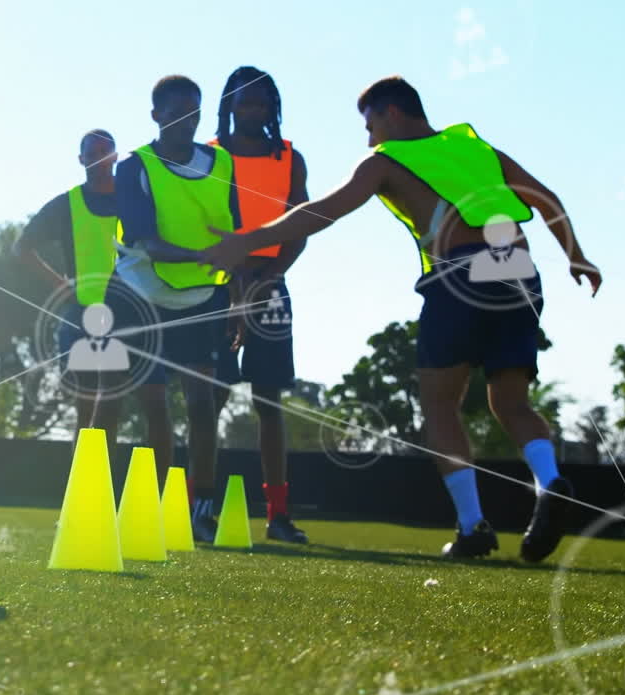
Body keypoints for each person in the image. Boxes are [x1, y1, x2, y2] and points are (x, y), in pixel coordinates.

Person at [201, 76, 602, 561]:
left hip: (459, 276)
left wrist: (245, 240)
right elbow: (545, 198)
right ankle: (549, 481)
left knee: (438, 405)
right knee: (511, 402)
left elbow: (324, 210)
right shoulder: (474, 146)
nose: (368, 138)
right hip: (520, 271)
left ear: (391, 114)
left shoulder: (385, 160)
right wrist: (577, 256)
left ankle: (473, 525)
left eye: (369, 125)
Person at [112, 75, 241, 542]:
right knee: (155, 406)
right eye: (176, 112)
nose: (187, 120)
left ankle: (200, 512)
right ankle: (154, 510)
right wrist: (210, 257)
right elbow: (150, 245)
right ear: (156, 116)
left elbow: (236, 235)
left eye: (195, 111)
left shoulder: (221, 162)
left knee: (204, 406)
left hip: (201, 297)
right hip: (143, 297)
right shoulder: (134, 168)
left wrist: (238, 300)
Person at [16, 130, 173, 481]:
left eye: (107, 151)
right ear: (82, 159)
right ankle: (85, 498)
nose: (101, 157)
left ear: (116, 156)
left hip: (140, 314)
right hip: (88, 317)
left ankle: (162, 504)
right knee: (92, 410)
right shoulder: (66, 204)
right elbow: (21, 248)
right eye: (93, 152)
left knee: (155, 404)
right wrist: (61, 286)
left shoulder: (137, 199)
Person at [209, 66, 310, 544]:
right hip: (216, 287)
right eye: (245, 101)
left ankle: (278, 515)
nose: (254, 109)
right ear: (229, 104)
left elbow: (300, 226)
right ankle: (199, 506)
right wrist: (231, 286)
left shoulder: (290, 158)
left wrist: (268, 279)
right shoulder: (207, 156)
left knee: (269, 401)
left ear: (273, 106)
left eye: (263, 102)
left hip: (271, 286)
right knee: (210, 395)